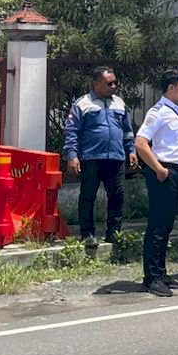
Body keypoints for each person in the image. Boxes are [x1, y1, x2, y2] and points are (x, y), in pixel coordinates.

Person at [61, 65, 136, 249]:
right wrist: (72, 155)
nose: (114, 86)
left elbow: (127, 130)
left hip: (116, 157)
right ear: (96, 84)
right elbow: (72, 131)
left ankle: (114, 233)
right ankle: (87, 234)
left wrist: (131, 150)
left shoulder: (119, 103)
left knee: (117, 196)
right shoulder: (83, 104)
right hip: (92, 157)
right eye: (109, 83)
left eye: (115, 82)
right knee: (88, 196)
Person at [134, 71, 178, 297]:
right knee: (157, 225)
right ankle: (152, 277)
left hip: (174, 172)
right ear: (170, 88)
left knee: (166, 224)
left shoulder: (174, 111)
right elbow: (140, 142)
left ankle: (161, 271)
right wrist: (158, 169)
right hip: (163, 173)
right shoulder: (158, 112)